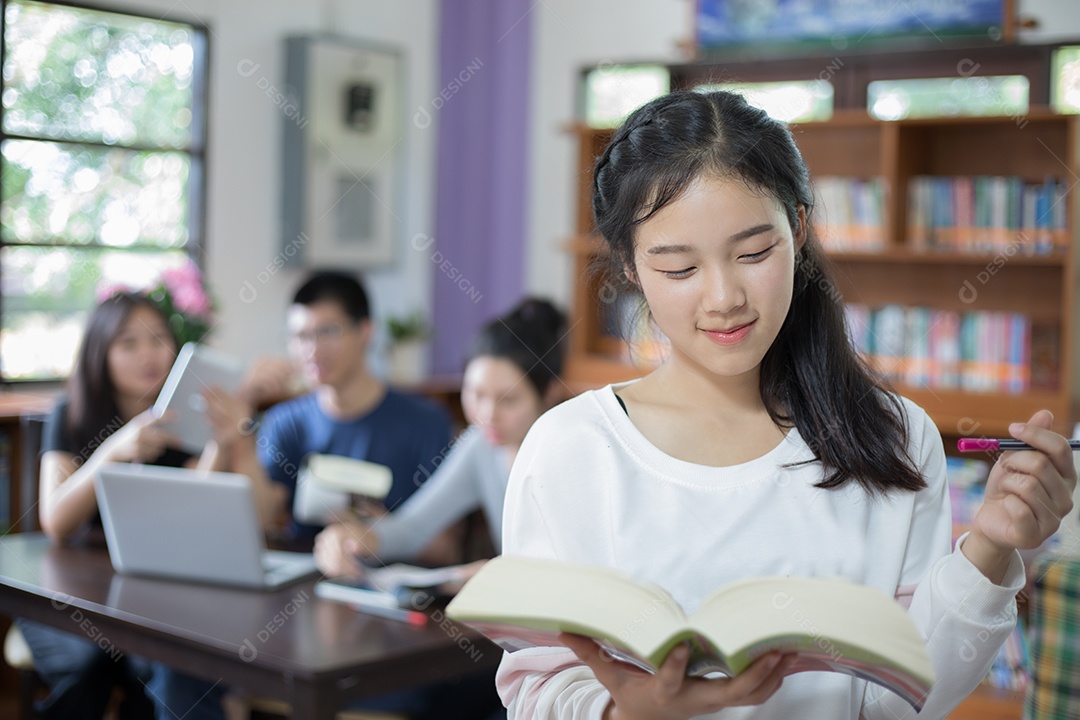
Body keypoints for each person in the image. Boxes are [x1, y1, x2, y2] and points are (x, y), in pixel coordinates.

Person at [495, 90, 1077, 720]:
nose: (723, 297)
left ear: (797, 229)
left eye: (753, 254)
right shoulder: (571, 448)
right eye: (679, 268)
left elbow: (904, 699)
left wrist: (990, 547)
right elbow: (536, 685)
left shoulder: (893, 436)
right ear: (632, 268)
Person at [148, 270, 454, 720]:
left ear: (365, 331)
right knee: (179, 672)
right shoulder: (288, 422)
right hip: (295, 610)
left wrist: (378, 532)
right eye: (299, 336)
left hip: (383, 616)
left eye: (326, 332)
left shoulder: (423, 422)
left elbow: (444, 547)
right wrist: (242, 436)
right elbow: (264, 518)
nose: (311, 349)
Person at [18, 290, 269, 720]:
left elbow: (192, 514)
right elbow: (56, 521)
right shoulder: (72, 414)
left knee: (155, 663)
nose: (148, 355)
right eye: (128, 344)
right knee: (88, 665)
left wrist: (221, 445)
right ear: (100, 354)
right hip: (68, 591)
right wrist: (112, 451)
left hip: (144, 595)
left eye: (157, 340)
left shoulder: (174, 420)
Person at [313, 296, 567, 575]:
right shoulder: (481, 445)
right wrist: (356, 538)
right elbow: (415, 526)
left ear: (549, 394)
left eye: (508, 400)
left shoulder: (568, 453)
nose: (486, 414)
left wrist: (497, 575)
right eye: (476, 394)